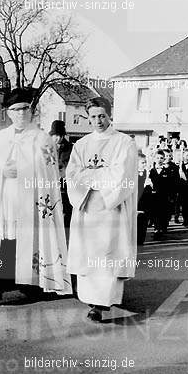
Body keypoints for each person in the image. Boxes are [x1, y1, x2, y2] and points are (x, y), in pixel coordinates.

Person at [0, 87, 72, 305]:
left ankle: (31, 284)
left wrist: (24, 169)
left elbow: (49, 171)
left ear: (31, 110)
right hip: (5, 201)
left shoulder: (41, 138)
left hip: (32, 202)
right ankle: (1, 286)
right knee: (6, 242)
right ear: (9, 112)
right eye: (16, 109)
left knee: (31, 240)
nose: (21, 113)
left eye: (25, 108)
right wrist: (1, 171)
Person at [66, 97, 137, 322]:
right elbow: (73, 174)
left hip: (110, 207)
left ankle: (102, 303)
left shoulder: (124, 142)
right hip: (87, 207)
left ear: (109, 114)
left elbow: (122, 174)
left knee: (108, 255)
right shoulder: (82, 144)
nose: (97, 121)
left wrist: (91, 178)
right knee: (89, 255)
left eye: (101, 116)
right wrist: (94, 180)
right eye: (93, 117)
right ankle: (91, 301)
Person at [49, 119, 73, 240]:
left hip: (66, 186)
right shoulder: (48, 148)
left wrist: (63, 173)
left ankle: (67, 236)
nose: (56, 138)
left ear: (63, 135)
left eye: (58, 135)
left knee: (67, 211)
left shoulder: (70, 149)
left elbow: (71, 167)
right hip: (51, 186)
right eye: (54, 135)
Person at [148, 149, 179, 239]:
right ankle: (156, 229)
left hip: (164, 196)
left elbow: (171, 184)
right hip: (153, 195)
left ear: (164, 159)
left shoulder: (167, 171)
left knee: (163, 213)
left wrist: (171, 195)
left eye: (161, 158)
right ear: (154, 159)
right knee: (154, 213)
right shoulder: (150, 171)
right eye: (157, 158)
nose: (159, 160)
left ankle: (160, 229)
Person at [137, 152, 153, 245]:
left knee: (143, 222)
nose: (145, 164)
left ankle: (141, 239)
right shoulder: (132, 173)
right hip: (137, 199)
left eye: (145, 162)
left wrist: (150, 185)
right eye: (142, 162)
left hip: (145, 201)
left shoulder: (147, 173)